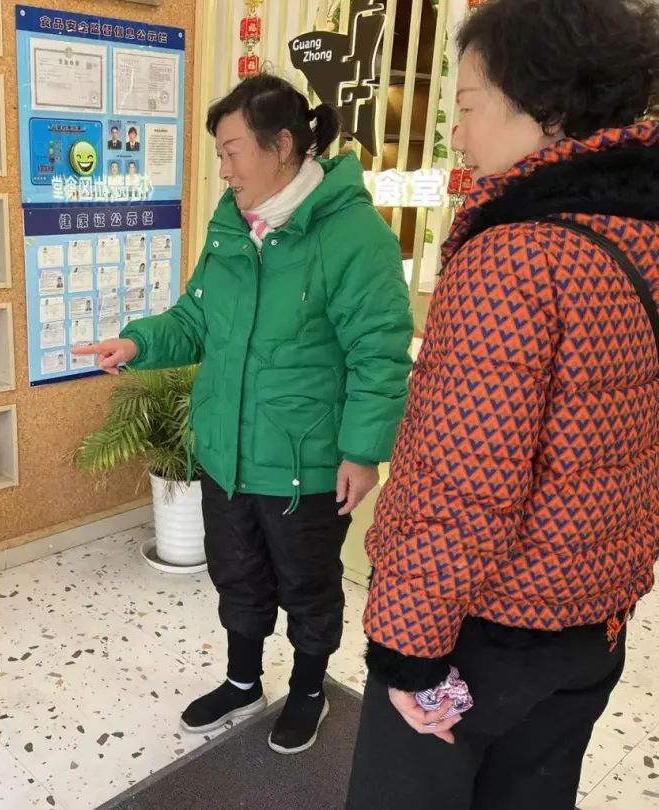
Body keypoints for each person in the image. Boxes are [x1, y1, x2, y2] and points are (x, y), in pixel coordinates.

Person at [346, 1, 659, 807]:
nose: (455, 134)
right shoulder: (643, 238)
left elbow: (461, 481)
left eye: (468, 105)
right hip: (596, 622)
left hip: (483, 634)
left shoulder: (515, 259)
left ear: (547, 108)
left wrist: (410, 654)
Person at [74, 73, 413, 754]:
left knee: (309, 588)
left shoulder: (355, 235)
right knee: (238, 578)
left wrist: (361, 452)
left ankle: (310, 690)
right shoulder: (232, 223)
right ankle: (242, 682)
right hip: (226, 452)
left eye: (232, 152)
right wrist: (138, 342)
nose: (224, 170)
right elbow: (196, 319)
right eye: (220, 155)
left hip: (305, 461)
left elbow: (379, 352)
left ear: (281, 145)